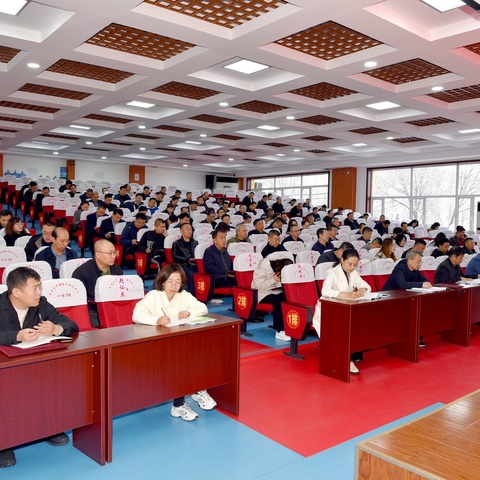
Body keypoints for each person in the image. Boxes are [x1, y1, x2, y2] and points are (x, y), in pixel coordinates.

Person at [0, 266, 79, 468]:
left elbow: (71, 324)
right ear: (16, 292)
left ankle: (48, 427)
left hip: (32, 364)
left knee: (49, 383)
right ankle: (4, 443)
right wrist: (15, 336)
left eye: (40, 287)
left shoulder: (41, 304)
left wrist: (55, 328)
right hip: (5, 368)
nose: (39, 293)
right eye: (34, 288)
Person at [132, 264, 216, 421]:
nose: (174, 286)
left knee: (199, 354)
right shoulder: (153, 296)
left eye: (178, 282)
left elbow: (202, 308)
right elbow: (137, 314)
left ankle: (194, 391)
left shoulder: (183, 296)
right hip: (155, 345)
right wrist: (156, 319)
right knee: (181, 361)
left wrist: (189, 312)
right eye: (170, 281)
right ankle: (183, 401)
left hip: (176, 345)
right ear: (162, 281)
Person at [314, 248, 371, 374]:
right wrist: (345, 294)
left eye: (355, 265)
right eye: (349, 264)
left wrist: (362, 290)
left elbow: (367, 286)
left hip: (346, 307)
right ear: (342, 260)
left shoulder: (353, 273)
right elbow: (325, 291)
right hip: (329, 309)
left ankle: (352, 353)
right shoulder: (332, 272)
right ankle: (347, 360)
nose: (352, 267)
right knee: (343, 329)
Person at [72, 239, 123, 325]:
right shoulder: (82, 272)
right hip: (93, 310)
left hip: (114, 306)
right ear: (98, 254)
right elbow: (80, 301)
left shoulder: (117, 269)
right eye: (110, 253)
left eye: (114, 253)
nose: (114, 256)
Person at [251, 257, 293, 341]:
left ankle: (290, 326)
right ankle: (279, 330)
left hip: (274, 291)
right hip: (260, 293)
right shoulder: (262, 268)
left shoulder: (278, 268)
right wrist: (273, 280)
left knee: (288, 297)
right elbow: (257, 286)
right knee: (277, 301)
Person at [172, 223, 198, 293]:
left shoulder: (195, 242)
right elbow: (175, 256)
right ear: (181, 231)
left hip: (195, 264)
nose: (189, 231)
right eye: (187, 230)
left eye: (190, 229)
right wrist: (187, 260)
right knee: (191, 273)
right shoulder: (176, 243)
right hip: (183, 265)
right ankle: (193, 295)